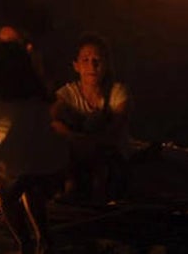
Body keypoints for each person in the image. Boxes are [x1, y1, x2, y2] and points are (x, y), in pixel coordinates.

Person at [0, 38, 69, 254]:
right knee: (28, 181)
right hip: (52, 164)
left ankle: (25, 242)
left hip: (20, 167)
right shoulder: (37, 94)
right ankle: (44, 238)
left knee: (0, 163)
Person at [52, 33, 132, 204]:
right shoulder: (67, 94)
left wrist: (91, 142)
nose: (92, 66)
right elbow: (51, 119)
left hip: (109, 155)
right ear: (76, 66)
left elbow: (117, 126)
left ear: (106, 65)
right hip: (78, 154)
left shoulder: (117, 92)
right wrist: (74, 138)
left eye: (97, 60)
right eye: (85, 60)